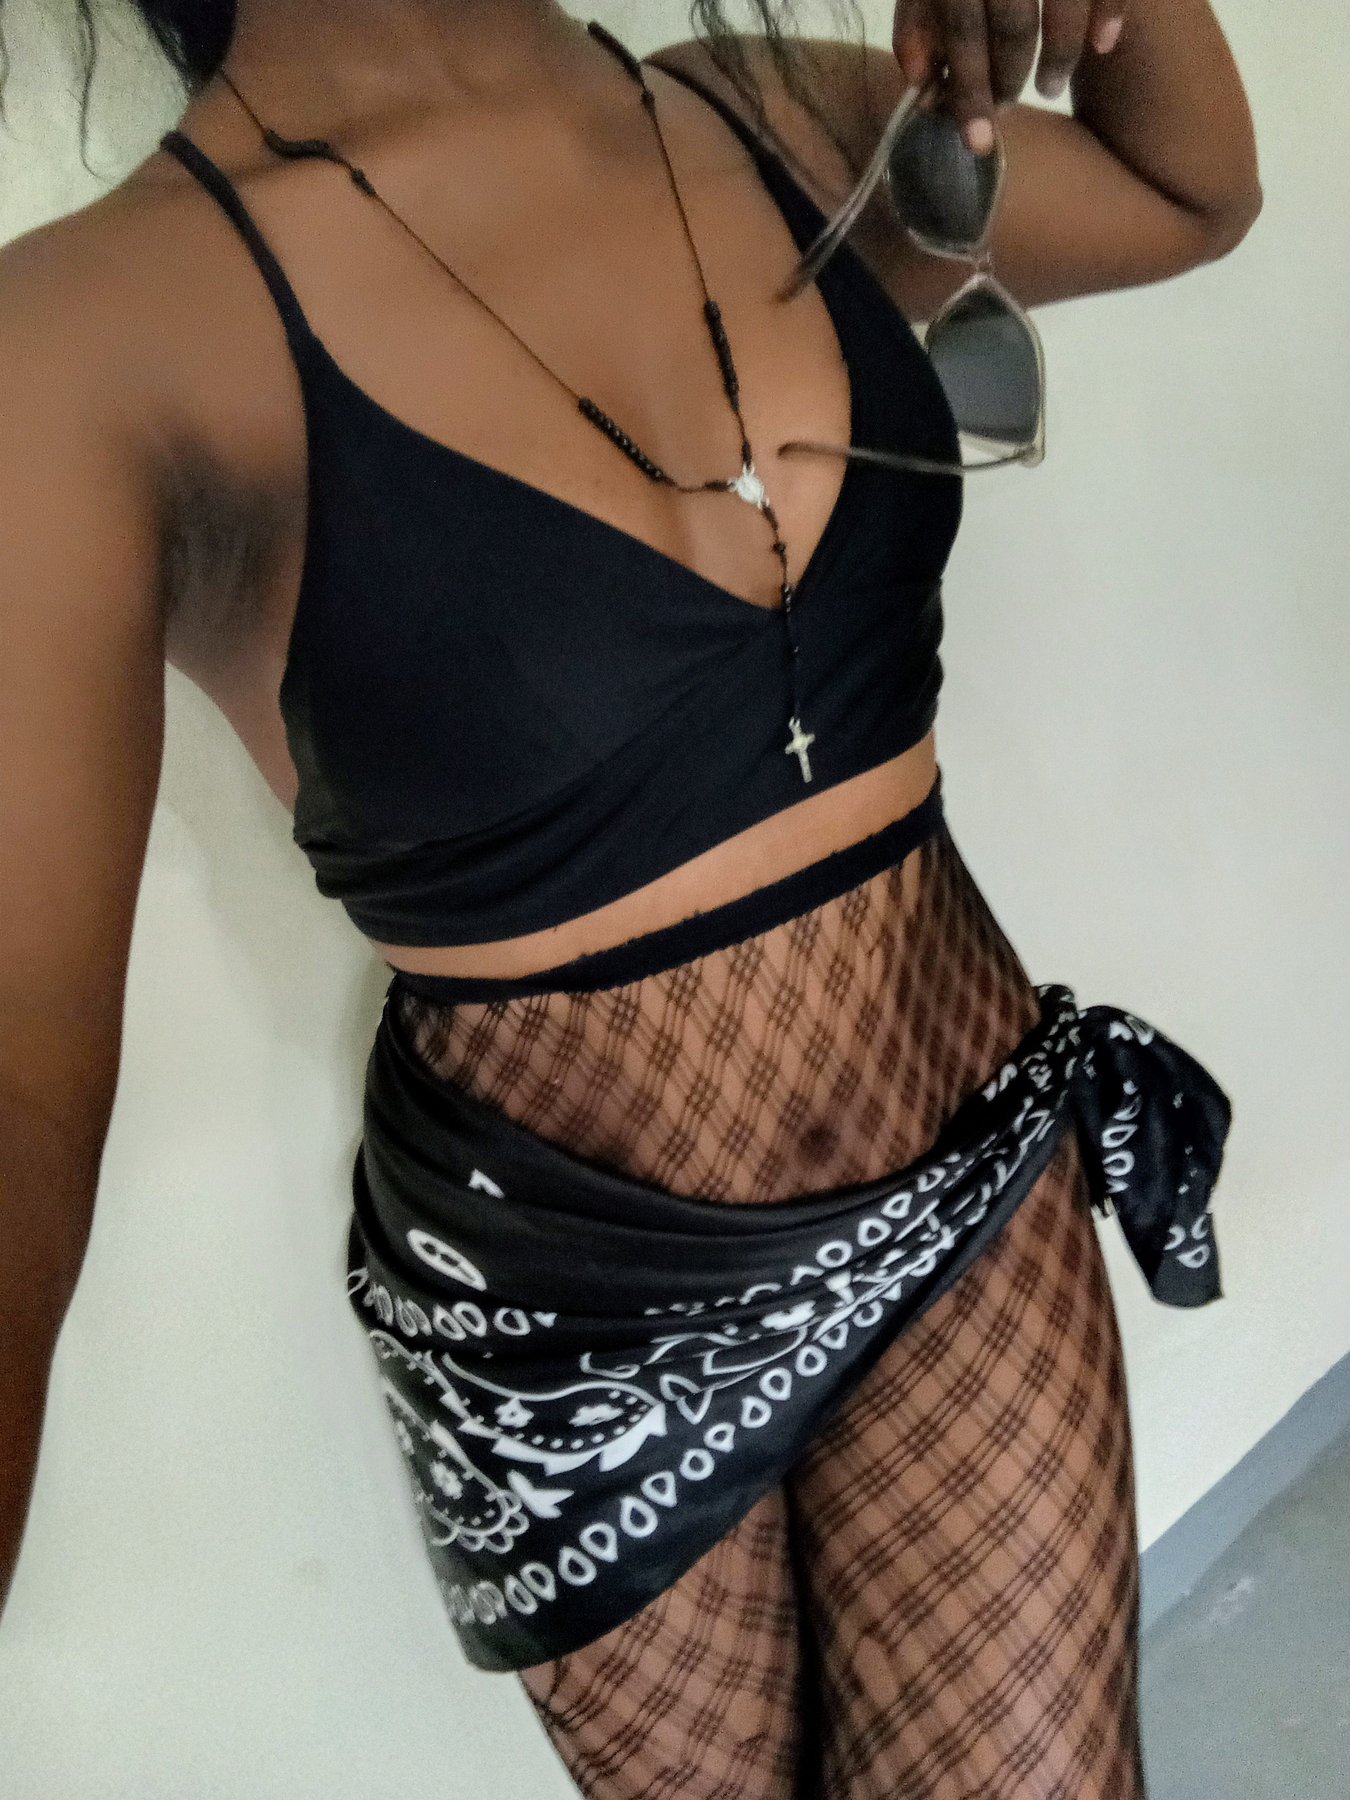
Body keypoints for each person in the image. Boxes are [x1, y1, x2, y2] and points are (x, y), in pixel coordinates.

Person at [0, 1, 1260, 1794]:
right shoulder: (82, 344)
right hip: (570, 1335)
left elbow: (1184, 190)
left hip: (961, 1171)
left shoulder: (763, 118)